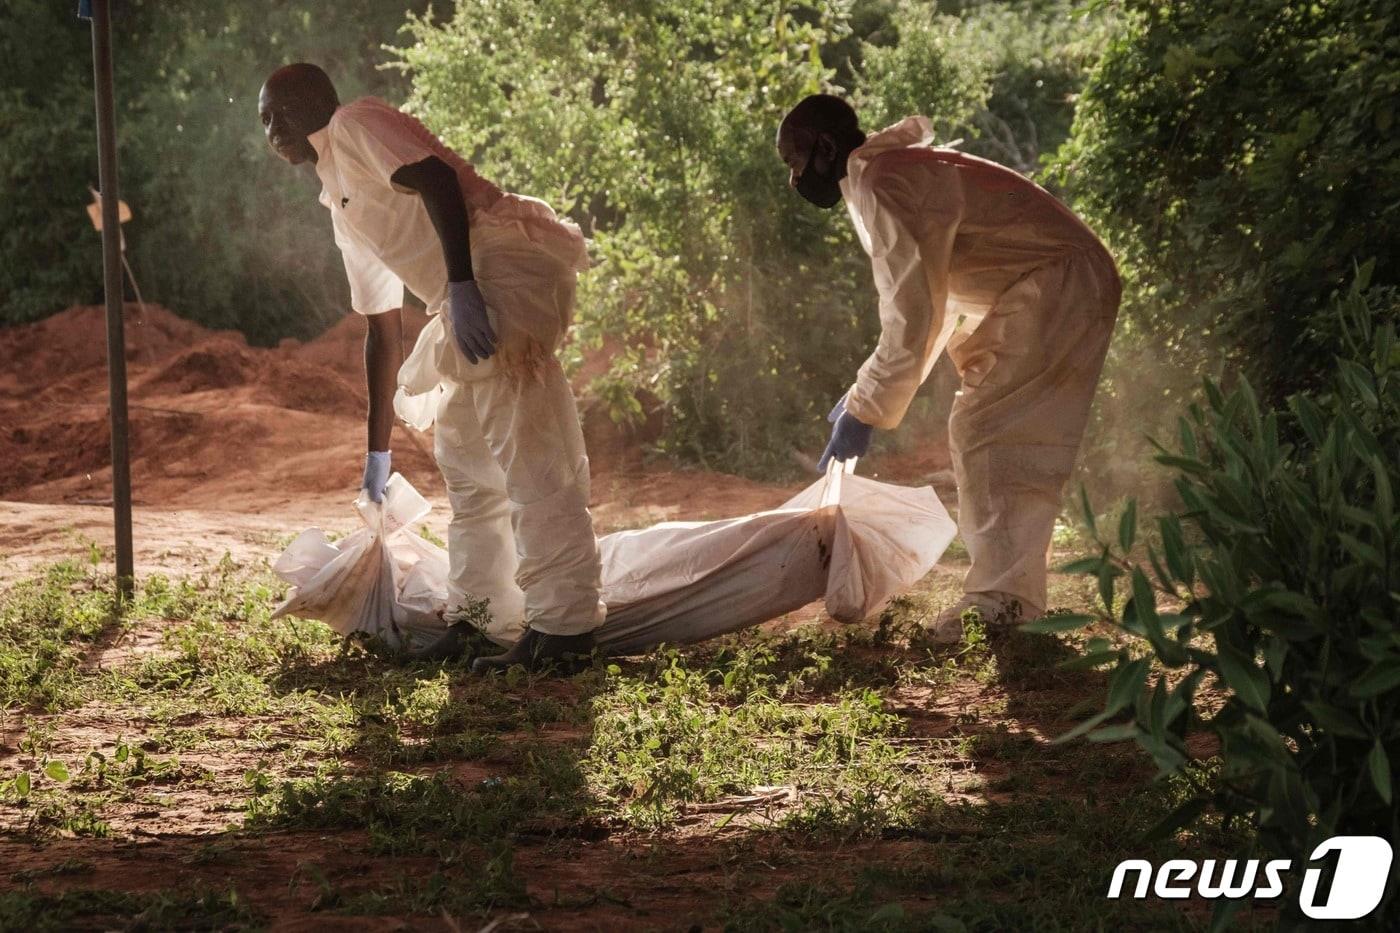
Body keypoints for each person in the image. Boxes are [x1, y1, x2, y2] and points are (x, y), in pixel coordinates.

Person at [258, 63, 604, 672]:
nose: (270, 129)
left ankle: (565, 632)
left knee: (528, 452)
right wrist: (377, 456)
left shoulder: (354, 122)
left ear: (312, 103)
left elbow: (438, 180)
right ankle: (479, 620)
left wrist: (463, 284)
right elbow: (381, 325)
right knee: (468, 464)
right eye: (263, 120)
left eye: (277, 113)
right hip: (460, 295)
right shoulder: (337, 195)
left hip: (499, 262)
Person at [776, 94, 1121, 643]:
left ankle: (1002, 607)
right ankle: (1011, 602)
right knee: (997, 433)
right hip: (1057, 280)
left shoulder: (882, 183)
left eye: (796, 163)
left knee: (990, 432)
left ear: (825, 146)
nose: (795, 180)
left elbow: (913, 314)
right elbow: (934, 307)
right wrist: (864, 395)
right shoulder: (887, 175)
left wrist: (867, 406)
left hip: (1059, 280)